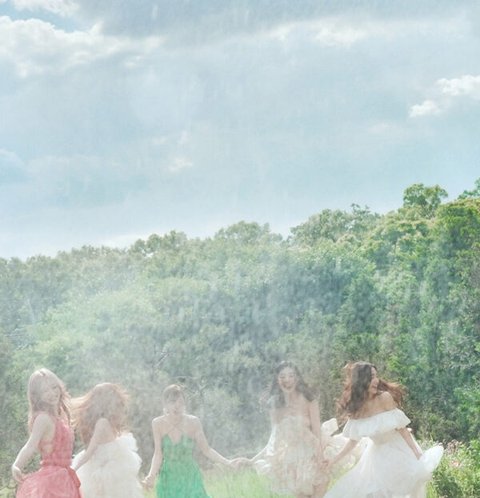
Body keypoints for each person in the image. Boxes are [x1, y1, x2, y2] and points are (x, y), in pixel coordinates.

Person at [324, 361, 443, 498]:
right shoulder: (358, 408)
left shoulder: (384, 398)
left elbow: (402, 429)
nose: (376, 381)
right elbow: (353, 441)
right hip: (376, 456)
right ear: (361, 381)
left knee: (399, 490)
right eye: (371, 377)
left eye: (376, 376)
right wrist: (333, 460)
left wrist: (417, 453)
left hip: (398, 450)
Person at [250, 361, 331, 498]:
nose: (287, 380)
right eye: (282, 376)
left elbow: (317, 431)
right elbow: (274, 437)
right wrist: (254, 459)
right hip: (293, 459)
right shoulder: (275, 405)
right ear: (277, 380)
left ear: (297, 378)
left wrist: (320, 457)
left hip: (314, 450)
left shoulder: (308, 398)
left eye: (291, 375)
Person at [143, 383, 237, 497]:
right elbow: (158, 454)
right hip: (168, 477)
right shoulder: (157, 423)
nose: (177, 406)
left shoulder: (193, 422)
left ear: (184, 404)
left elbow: (207, 450)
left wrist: (227, 462)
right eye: (172, 401)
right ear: (165, 404)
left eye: (180, 402)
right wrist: (151, 476)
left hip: (189, 476)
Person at [11, 368, 81, 498]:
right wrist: (17, 465)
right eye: (45, 390)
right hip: (51, 480)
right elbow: (30, 445)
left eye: (54, 387)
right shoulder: (43, 418)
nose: (52, 393)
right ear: (37, 395)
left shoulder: (60, 416)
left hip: (65, 479)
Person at [71, 382, 143, 498]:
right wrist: (73, 469)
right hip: (104, 468)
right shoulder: (102, 422)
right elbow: (91, 450)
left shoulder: (106, 422)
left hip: (110, 467)